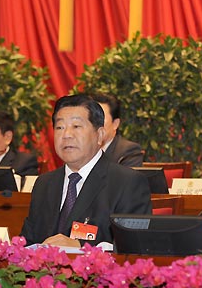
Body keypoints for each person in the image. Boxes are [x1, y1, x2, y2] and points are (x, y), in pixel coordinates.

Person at [20, 94, 151, 247]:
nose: (66, 135)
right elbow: (27, 242)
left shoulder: (127, 182)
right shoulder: (44, 183)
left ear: (100, 135)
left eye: (76, 126)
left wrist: (81, 247)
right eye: (60, 127)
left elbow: (134, 246)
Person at [89, 92, 144, 167]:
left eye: (101, 119)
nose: (94, 124)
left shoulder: (129, 152)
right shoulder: (80, 149)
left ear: (115, 124)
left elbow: (127, 178)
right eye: (91, 118)